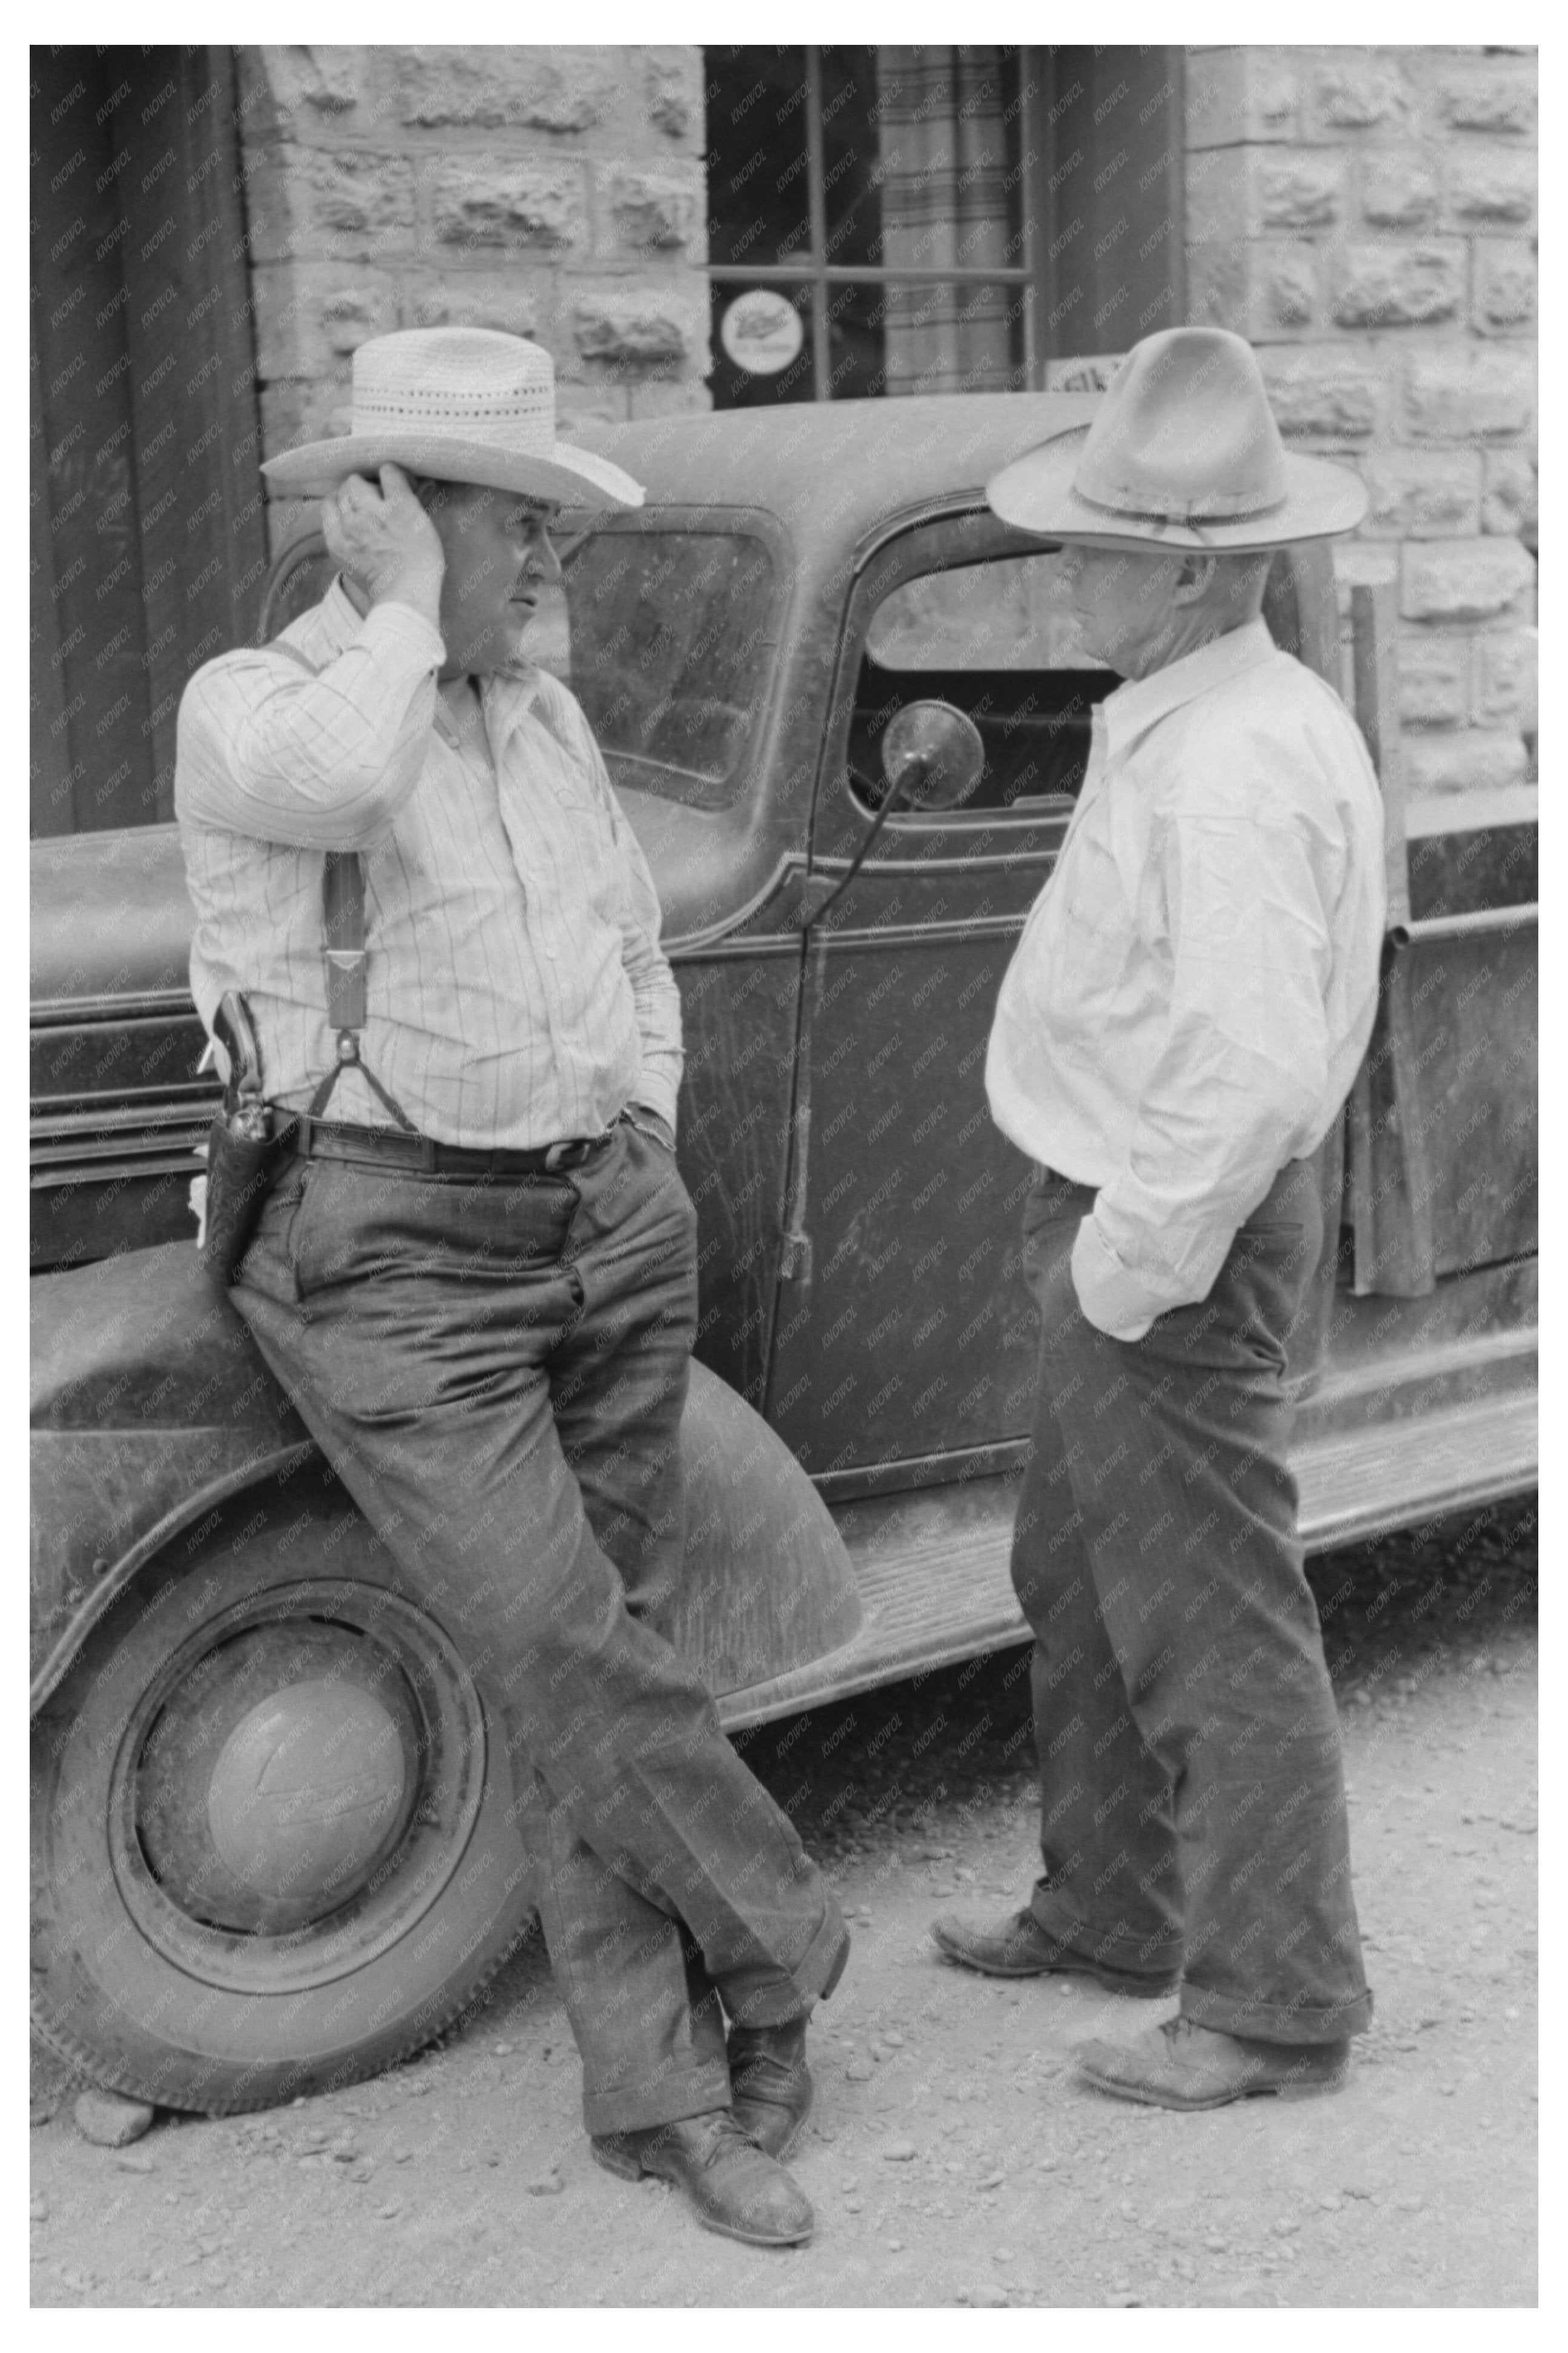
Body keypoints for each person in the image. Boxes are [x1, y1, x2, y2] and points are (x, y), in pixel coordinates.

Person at [176, 328, 847, 2244]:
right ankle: (784, 1938)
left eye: (558, 523)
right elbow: (330, 775)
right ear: (387, 524)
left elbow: (629, 945)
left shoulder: (537, 716)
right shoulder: (259, 706)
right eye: (518, 524)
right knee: (562, 1643)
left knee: (607, 1636)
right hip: (386, 1247)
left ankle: (663, 2091)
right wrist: (395, 612)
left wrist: (638, 1113)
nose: (556, 562)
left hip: (604, 1220)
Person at [931, 327, 1383, 2109]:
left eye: (1098, 543)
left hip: (1161, 1231)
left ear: (1189, 569)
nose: (1069, 568)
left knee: (1207, 1615)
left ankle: (1272, 2002)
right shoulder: (1206, 718)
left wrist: (1120, 1260)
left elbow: (1248, 1063)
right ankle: (1113, 1899)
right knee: (1082, 1572)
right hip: (1128, 1209)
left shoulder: (1228, 763)